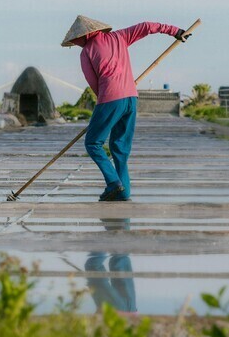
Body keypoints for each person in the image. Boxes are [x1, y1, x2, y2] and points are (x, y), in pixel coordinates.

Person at [62, 15, 190, 202]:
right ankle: (124, 192)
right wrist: (176, 32)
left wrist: (106, 108)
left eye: (76, 41)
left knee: (93, 143)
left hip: (110, 98)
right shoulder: (119, 37)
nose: (77, 44)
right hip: (131, 97)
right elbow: (147, 26)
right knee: (120, 147)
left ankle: (113, 182)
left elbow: (94, 84)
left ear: (83, 36)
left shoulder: (87, 52)